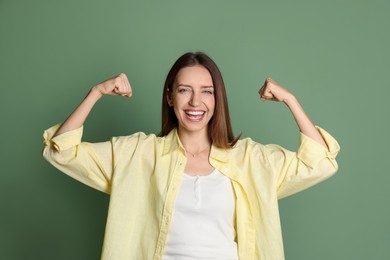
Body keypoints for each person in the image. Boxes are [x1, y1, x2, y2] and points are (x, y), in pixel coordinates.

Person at [43, 52, 340, 260]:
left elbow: (321, 162)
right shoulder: (137, 154)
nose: (196, 101)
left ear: (217, 99)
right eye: (185, 90)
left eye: (207, 92)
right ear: (170, 97)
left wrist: (291, 100)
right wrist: (96, 92)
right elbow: (61, 150)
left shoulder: (250, 159)